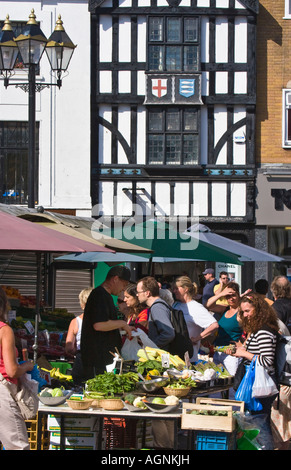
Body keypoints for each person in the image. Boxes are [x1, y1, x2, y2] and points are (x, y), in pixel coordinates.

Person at [230, 293, 279, 450]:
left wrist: (244, 353)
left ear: (258, 310)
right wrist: (241, 350)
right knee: (254, 424)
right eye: (243, 312)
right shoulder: (257, 329)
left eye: (248, 311)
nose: (245, 315)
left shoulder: (264, 331)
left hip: (259, 386)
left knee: (260, 426)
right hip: (253, 384)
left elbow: (267, 361)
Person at [80, 266, 134, 380]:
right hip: (96, 359)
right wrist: (122, 324)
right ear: (115, 279)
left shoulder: (105, 296)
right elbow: (99, 325)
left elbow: (106, 324)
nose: (123, 290)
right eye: (124, 285)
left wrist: (123, 329)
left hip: (103, 359)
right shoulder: (99, 295)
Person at [0, 287, 34, 450]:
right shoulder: (4, 330)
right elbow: (12, 370)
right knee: (18, 445)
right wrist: (27, 365)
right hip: (2, 391)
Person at [173, 276, 218, 363]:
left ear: (185, 289)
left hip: (189, 358)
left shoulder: (196, 307)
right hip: (175, 356)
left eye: (176, 288)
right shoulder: (175, 305)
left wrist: (197, 338)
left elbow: (214, 325)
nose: (174, 291)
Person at [207, 282, 243, 375]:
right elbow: (208, 305)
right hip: (218, 352)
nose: (231, 298)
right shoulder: (225, 309)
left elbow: (251, 330)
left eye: (233, 295)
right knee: (218, 385)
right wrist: (221, 294)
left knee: (231, 386)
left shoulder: (241, 312)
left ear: (238, 295)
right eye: (228, 296)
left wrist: (243, 345)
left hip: (232, 355)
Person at [136, 276, 175, 352]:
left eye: (138, 292)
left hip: (163, 358)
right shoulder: (157, 306)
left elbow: (168, 334)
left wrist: (151, 346)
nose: (137, 295)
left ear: (147, 293)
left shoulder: (157, 307)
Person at [65, 287, 93, 386]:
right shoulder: (105, 322)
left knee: (79, 390)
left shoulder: (75, 322)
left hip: (82, 360)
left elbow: (69, 347)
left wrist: (76, 352)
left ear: (82, 304)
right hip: (100, 360)